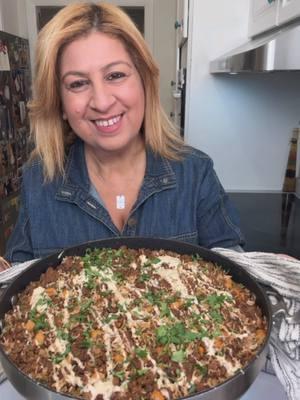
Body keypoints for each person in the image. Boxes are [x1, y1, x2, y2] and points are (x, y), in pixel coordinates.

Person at [4, 2, 244, 264]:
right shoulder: (38, 181)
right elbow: (16, 282)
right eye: (78, 83)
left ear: (144, 81)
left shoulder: (196, 173)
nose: (102, 102)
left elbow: (236, 274)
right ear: (59, 103)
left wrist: (266, 275)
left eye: (115, 75)